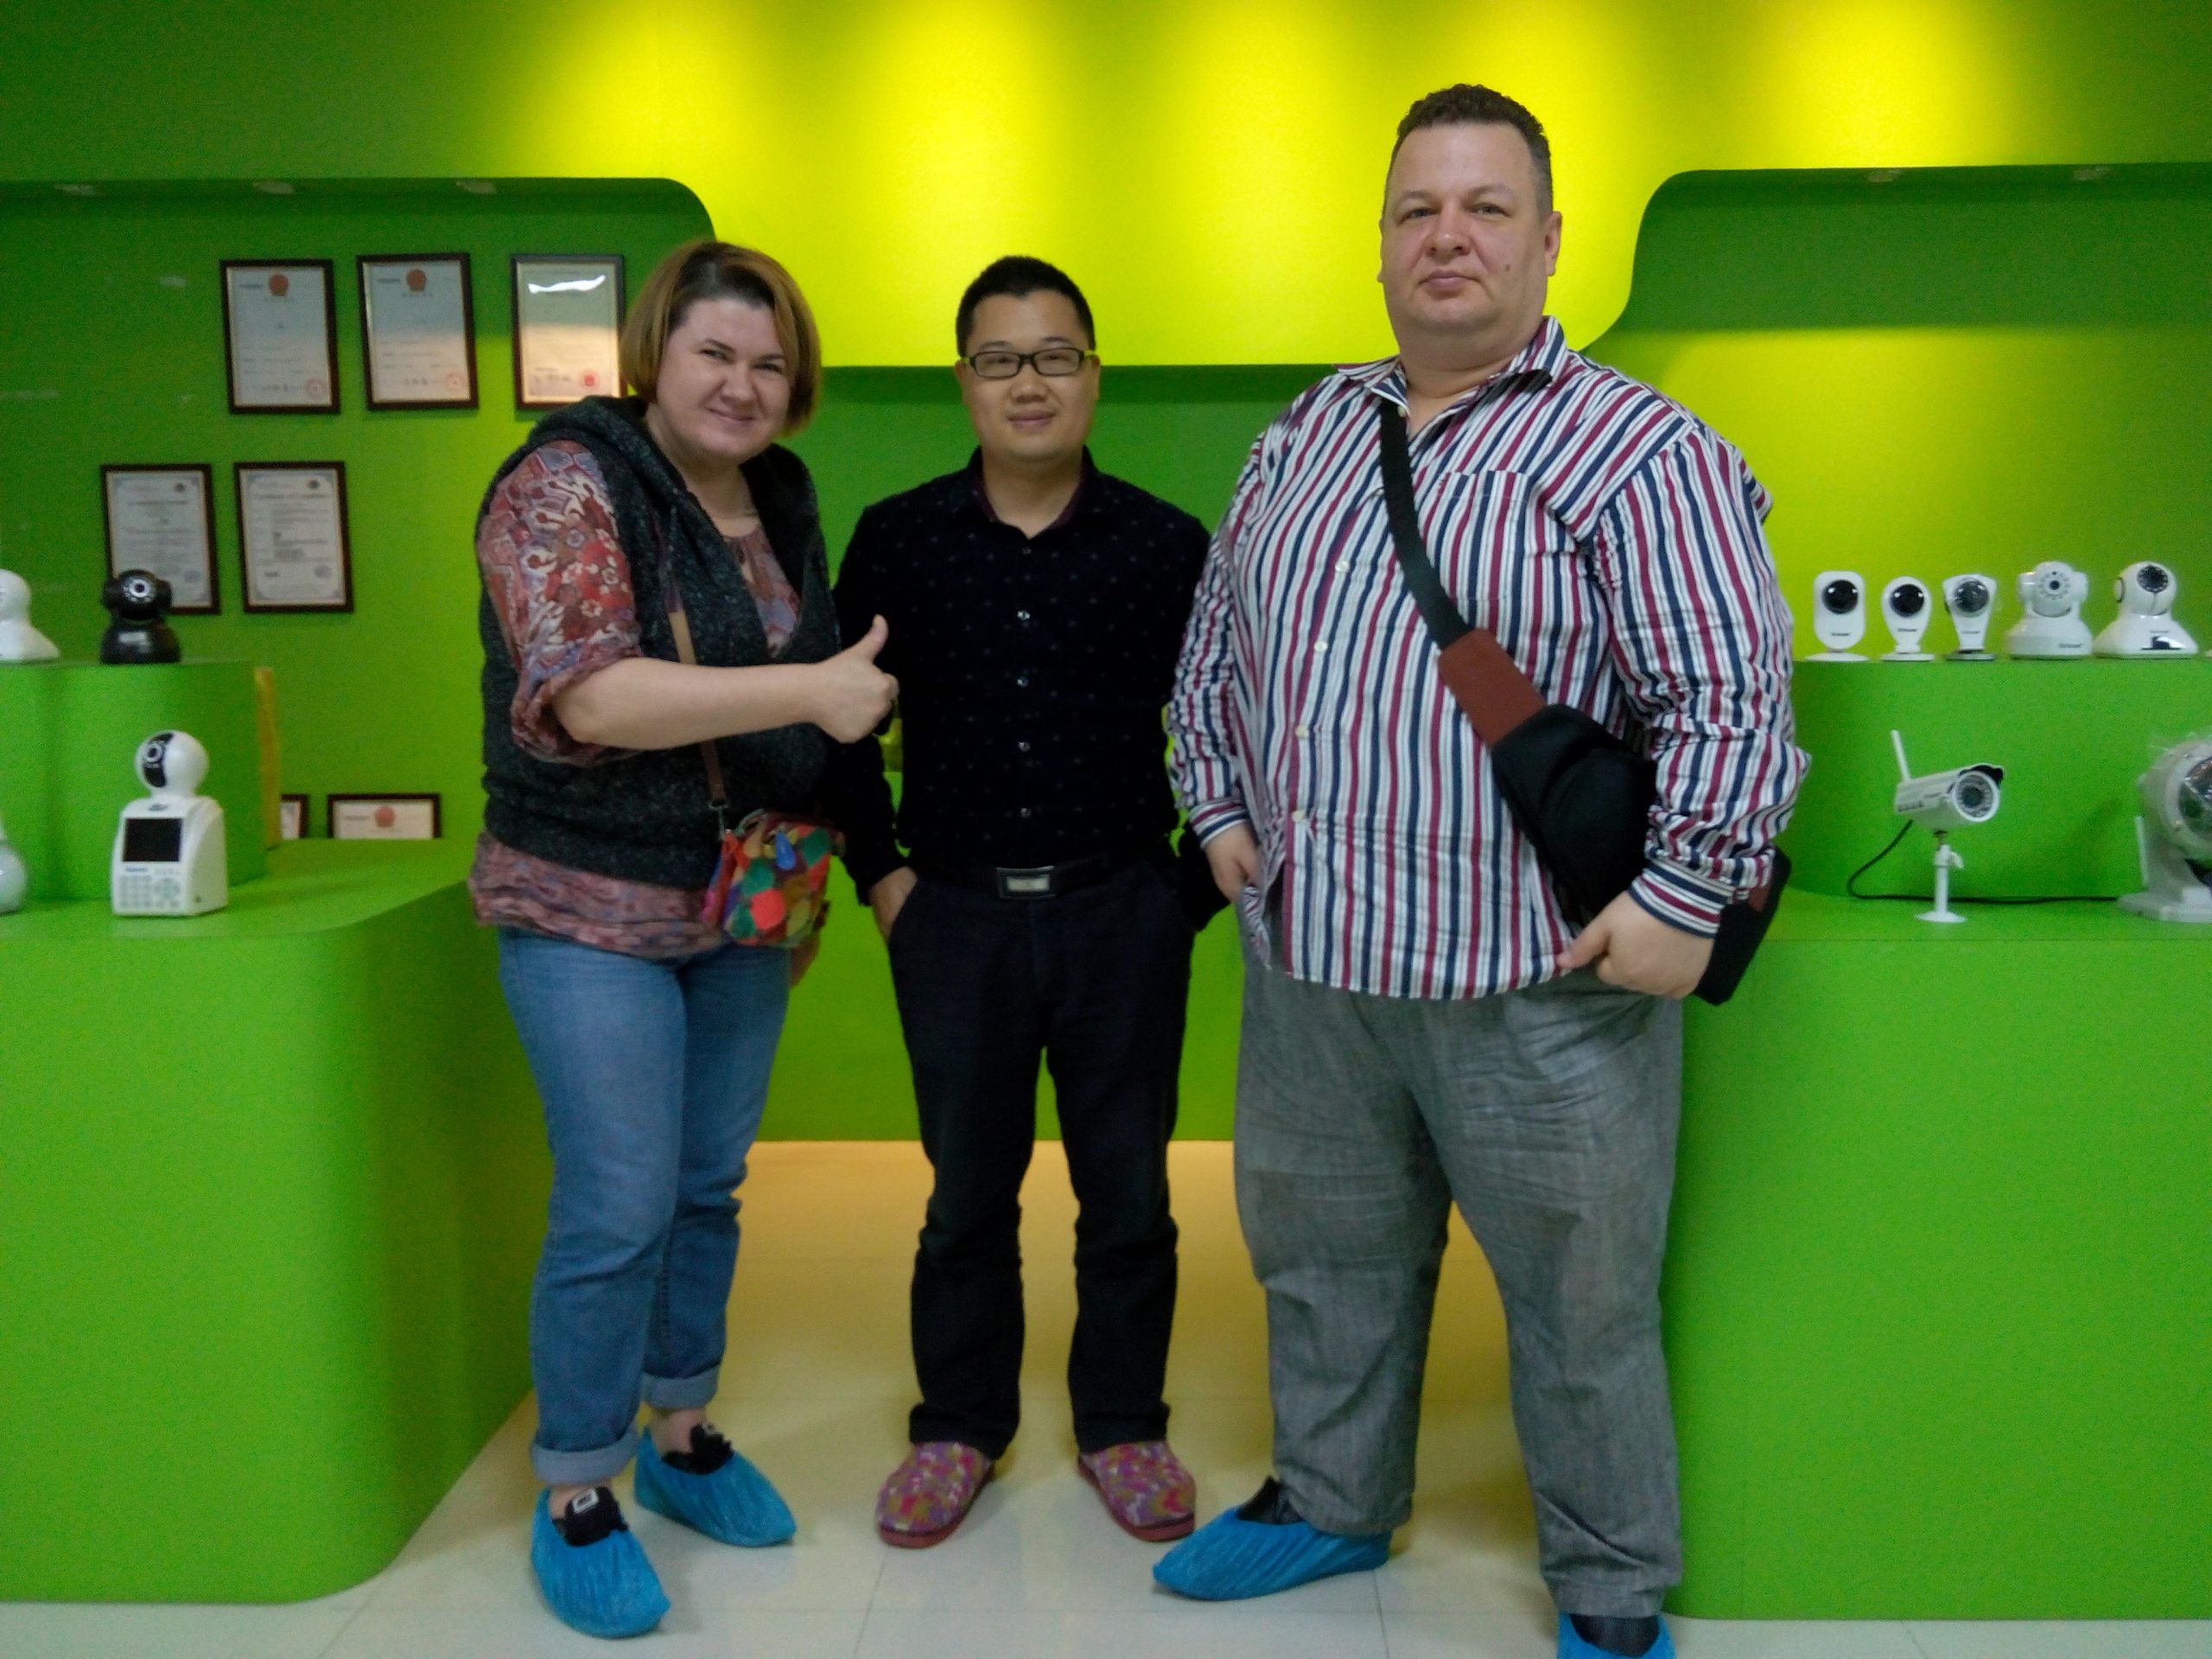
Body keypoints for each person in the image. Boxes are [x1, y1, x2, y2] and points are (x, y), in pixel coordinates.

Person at [1154, 86, 1806, 1659]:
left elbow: (1732, 696)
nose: (1447, 237)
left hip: (1541, 989)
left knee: (1584, 1311)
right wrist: (1215, 800)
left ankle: (1611, 1581)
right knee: (1323, 1271)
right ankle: (1331, 1500)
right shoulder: (1308, 431)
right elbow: (1215, 646)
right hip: (1315, 975)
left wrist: (1685, 897)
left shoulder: (1640, 449)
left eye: (1486, 208)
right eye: (1417, 211)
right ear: (1381, 244)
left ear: (1549, 237)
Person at [472, 238, 898, 1639]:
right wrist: (815, 693)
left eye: (771, 363)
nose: (744, 384)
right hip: (584, 903)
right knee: (617, 1199)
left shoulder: (780, 494)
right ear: (656, 352)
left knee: (707, 1184)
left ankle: (681, 1429)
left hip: (745, 903)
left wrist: (812, 880)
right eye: (717, 352)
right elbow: (592, 698)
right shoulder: (562, 483)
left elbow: (794, 710)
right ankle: (577, 1486)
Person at [828, 256, 1218, 1550]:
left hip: (1122, 914)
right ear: (965, 382)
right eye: (1000, 359)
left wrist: (1179, 895)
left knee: (1129, 1194)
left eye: (1056, 356)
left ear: (1094, 375)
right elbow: (839, 719)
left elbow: (1234, 722)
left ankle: (1123, 1425)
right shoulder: (898, 538)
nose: (1029, 382)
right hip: (955, 917)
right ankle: (958, 1425)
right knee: (964, 1197)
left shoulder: (1166, 545)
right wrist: (882, 876)